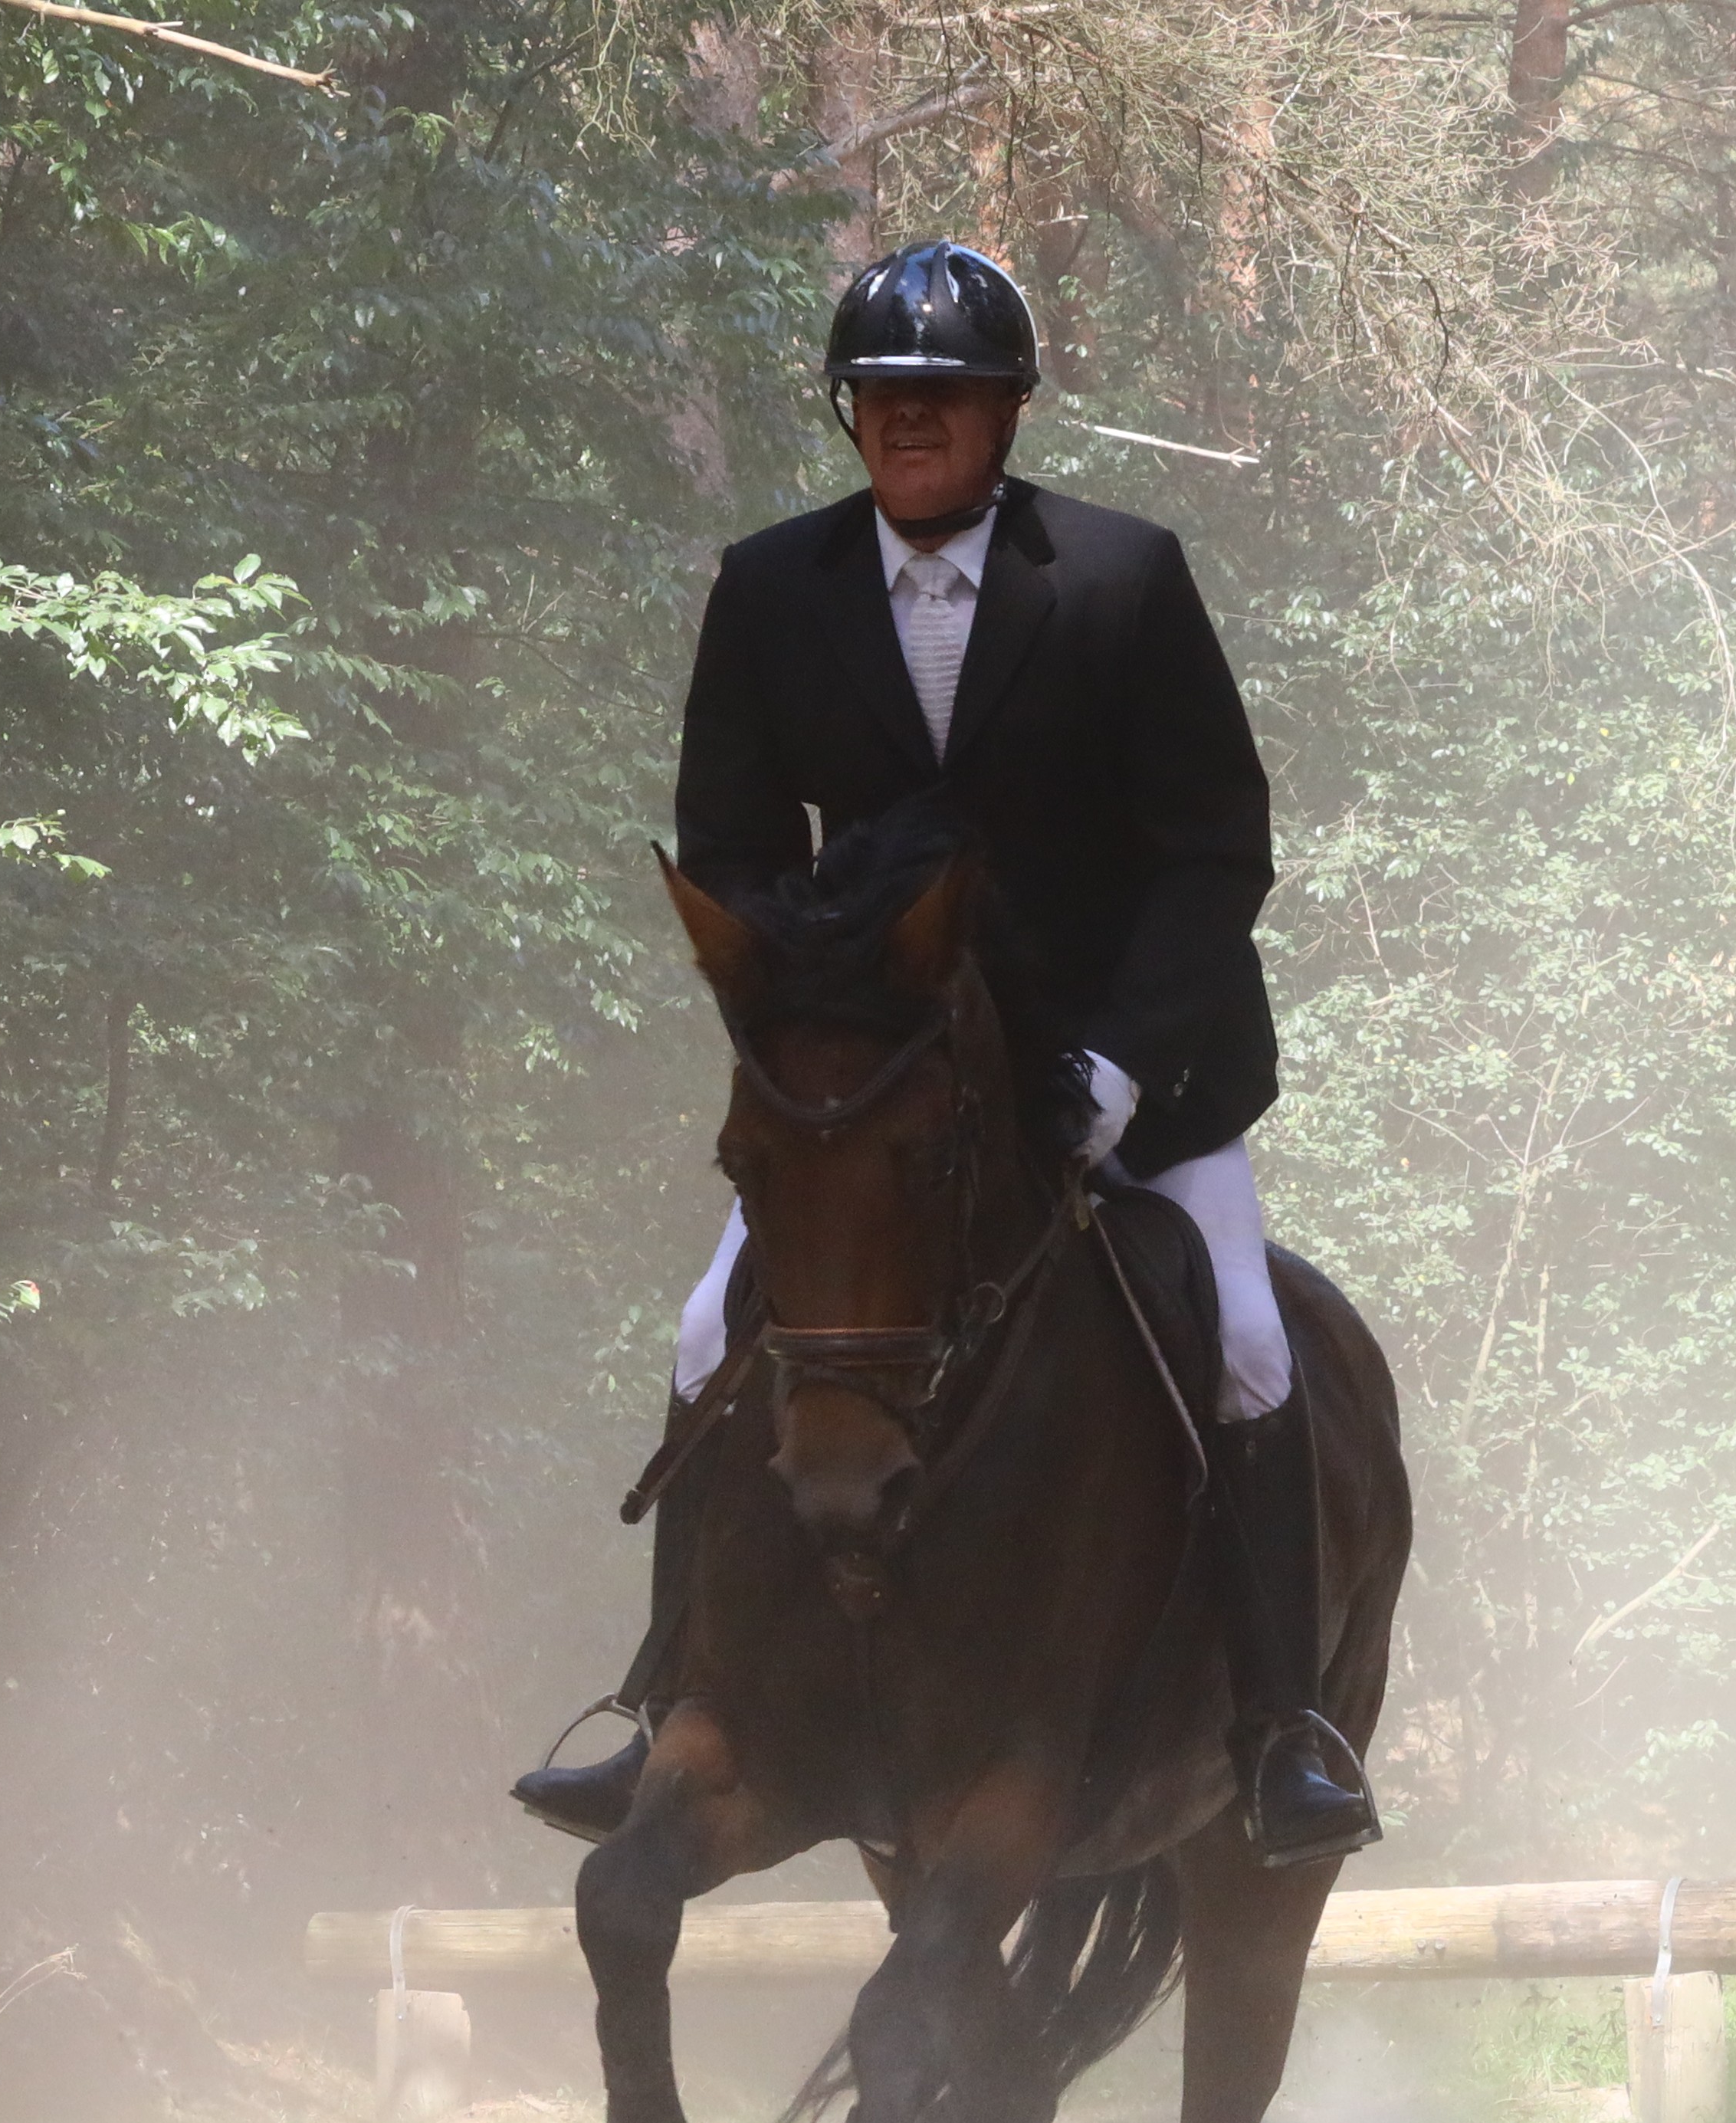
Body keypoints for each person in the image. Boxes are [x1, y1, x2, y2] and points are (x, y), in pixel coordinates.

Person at [513, 239, 1379, 1869]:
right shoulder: (773, 587)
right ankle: (658, 1694)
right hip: (889, 1083)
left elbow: (1214, 849)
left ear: (1007, 412)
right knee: (705, 1332)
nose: (909, 421)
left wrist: (1116, 1065)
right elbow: (734, 848)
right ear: (849, 413)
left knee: (1253, 1344)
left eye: (945, 396)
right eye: (883, 396)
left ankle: (1280, 1733)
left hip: (1130, 1070)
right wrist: (819, 1028)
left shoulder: (1120, 577)